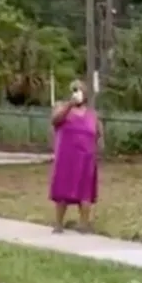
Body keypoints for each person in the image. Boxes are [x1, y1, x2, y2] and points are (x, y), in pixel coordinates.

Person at [49, 79, 102, 233]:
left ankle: (83, 224)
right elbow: (55, 120)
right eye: (74, 90)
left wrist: (97, 149)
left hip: (86, 158)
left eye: (80, 90)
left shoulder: (92, 114)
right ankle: (58, 224)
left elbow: (97, 133)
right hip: (66, 158)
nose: (77, 92)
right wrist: (69, 105)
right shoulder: (62, 108)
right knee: (63, 189)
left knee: (85, 191)